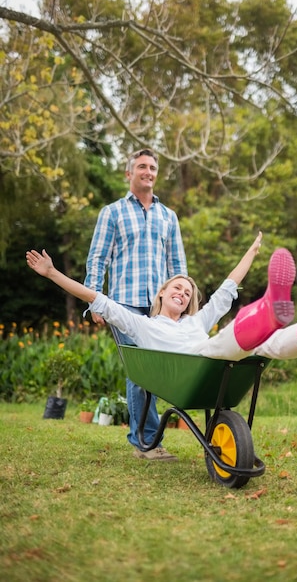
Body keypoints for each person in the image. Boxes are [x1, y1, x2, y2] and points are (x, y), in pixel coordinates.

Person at [26, 231, 297, 397]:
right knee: (226, 342)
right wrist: (52, 274)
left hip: (219, 363)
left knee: (272, 344)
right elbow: (95, 297)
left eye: (188, 292)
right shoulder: (142, 325)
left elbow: (227, 288)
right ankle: (269, 309)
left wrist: (251, 251)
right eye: (177, 287)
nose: (183, 292)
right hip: (190, 371)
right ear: (161, 293)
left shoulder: (196, 321)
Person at [84, 148, 187, 461]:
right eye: (142, 166)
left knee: (154, 371)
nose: (148, 171)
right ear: (129, 174)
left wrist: (182, 303)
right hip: (124, 306)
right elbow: (98, 258)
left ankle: (146, 439)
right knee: (139, 371)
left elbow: (177, 266)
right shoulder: (112, 213)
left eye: (153, 167)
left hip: (159, 308)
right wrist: (95, 301)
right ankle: (145, 442)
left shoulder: (168, 216)